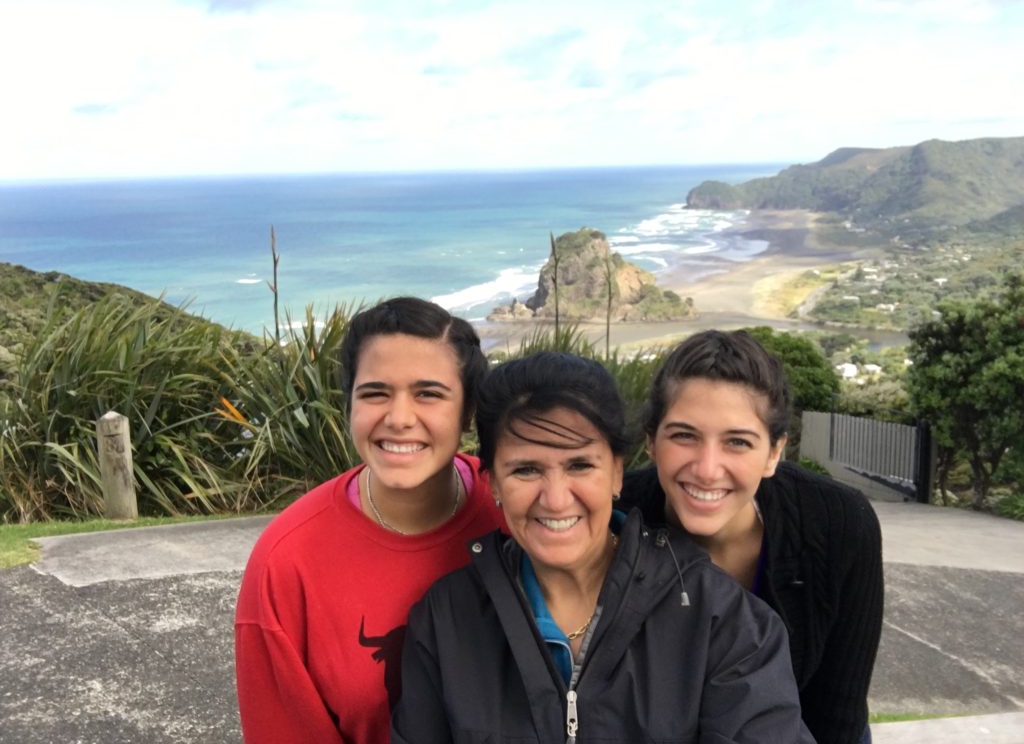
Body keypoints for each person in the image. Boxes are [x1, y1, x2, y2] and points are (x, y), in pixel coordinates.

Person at [392, 351, 815, 743]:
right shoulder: (445, 619)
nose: (555, 499)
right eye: (526, 470)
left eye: (580, 465)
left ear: (617, 473)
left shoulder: (724, 622)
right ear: (494, 484)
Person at [234, 297, 505, 744]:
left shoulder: (516, 513)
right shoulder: (288, 562)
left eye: (429, 394)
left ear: (469, 411)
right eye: (375, 393)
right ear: (350, 404)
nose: (399, 419)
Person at [617, 329, 883, 744]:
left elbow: (838, 715)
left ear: (774, 453)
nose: (707, 469)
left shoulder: (838, 524)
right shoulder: (617, 519)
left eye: (737, 442)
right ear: (651, 442)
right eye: (684, 435)